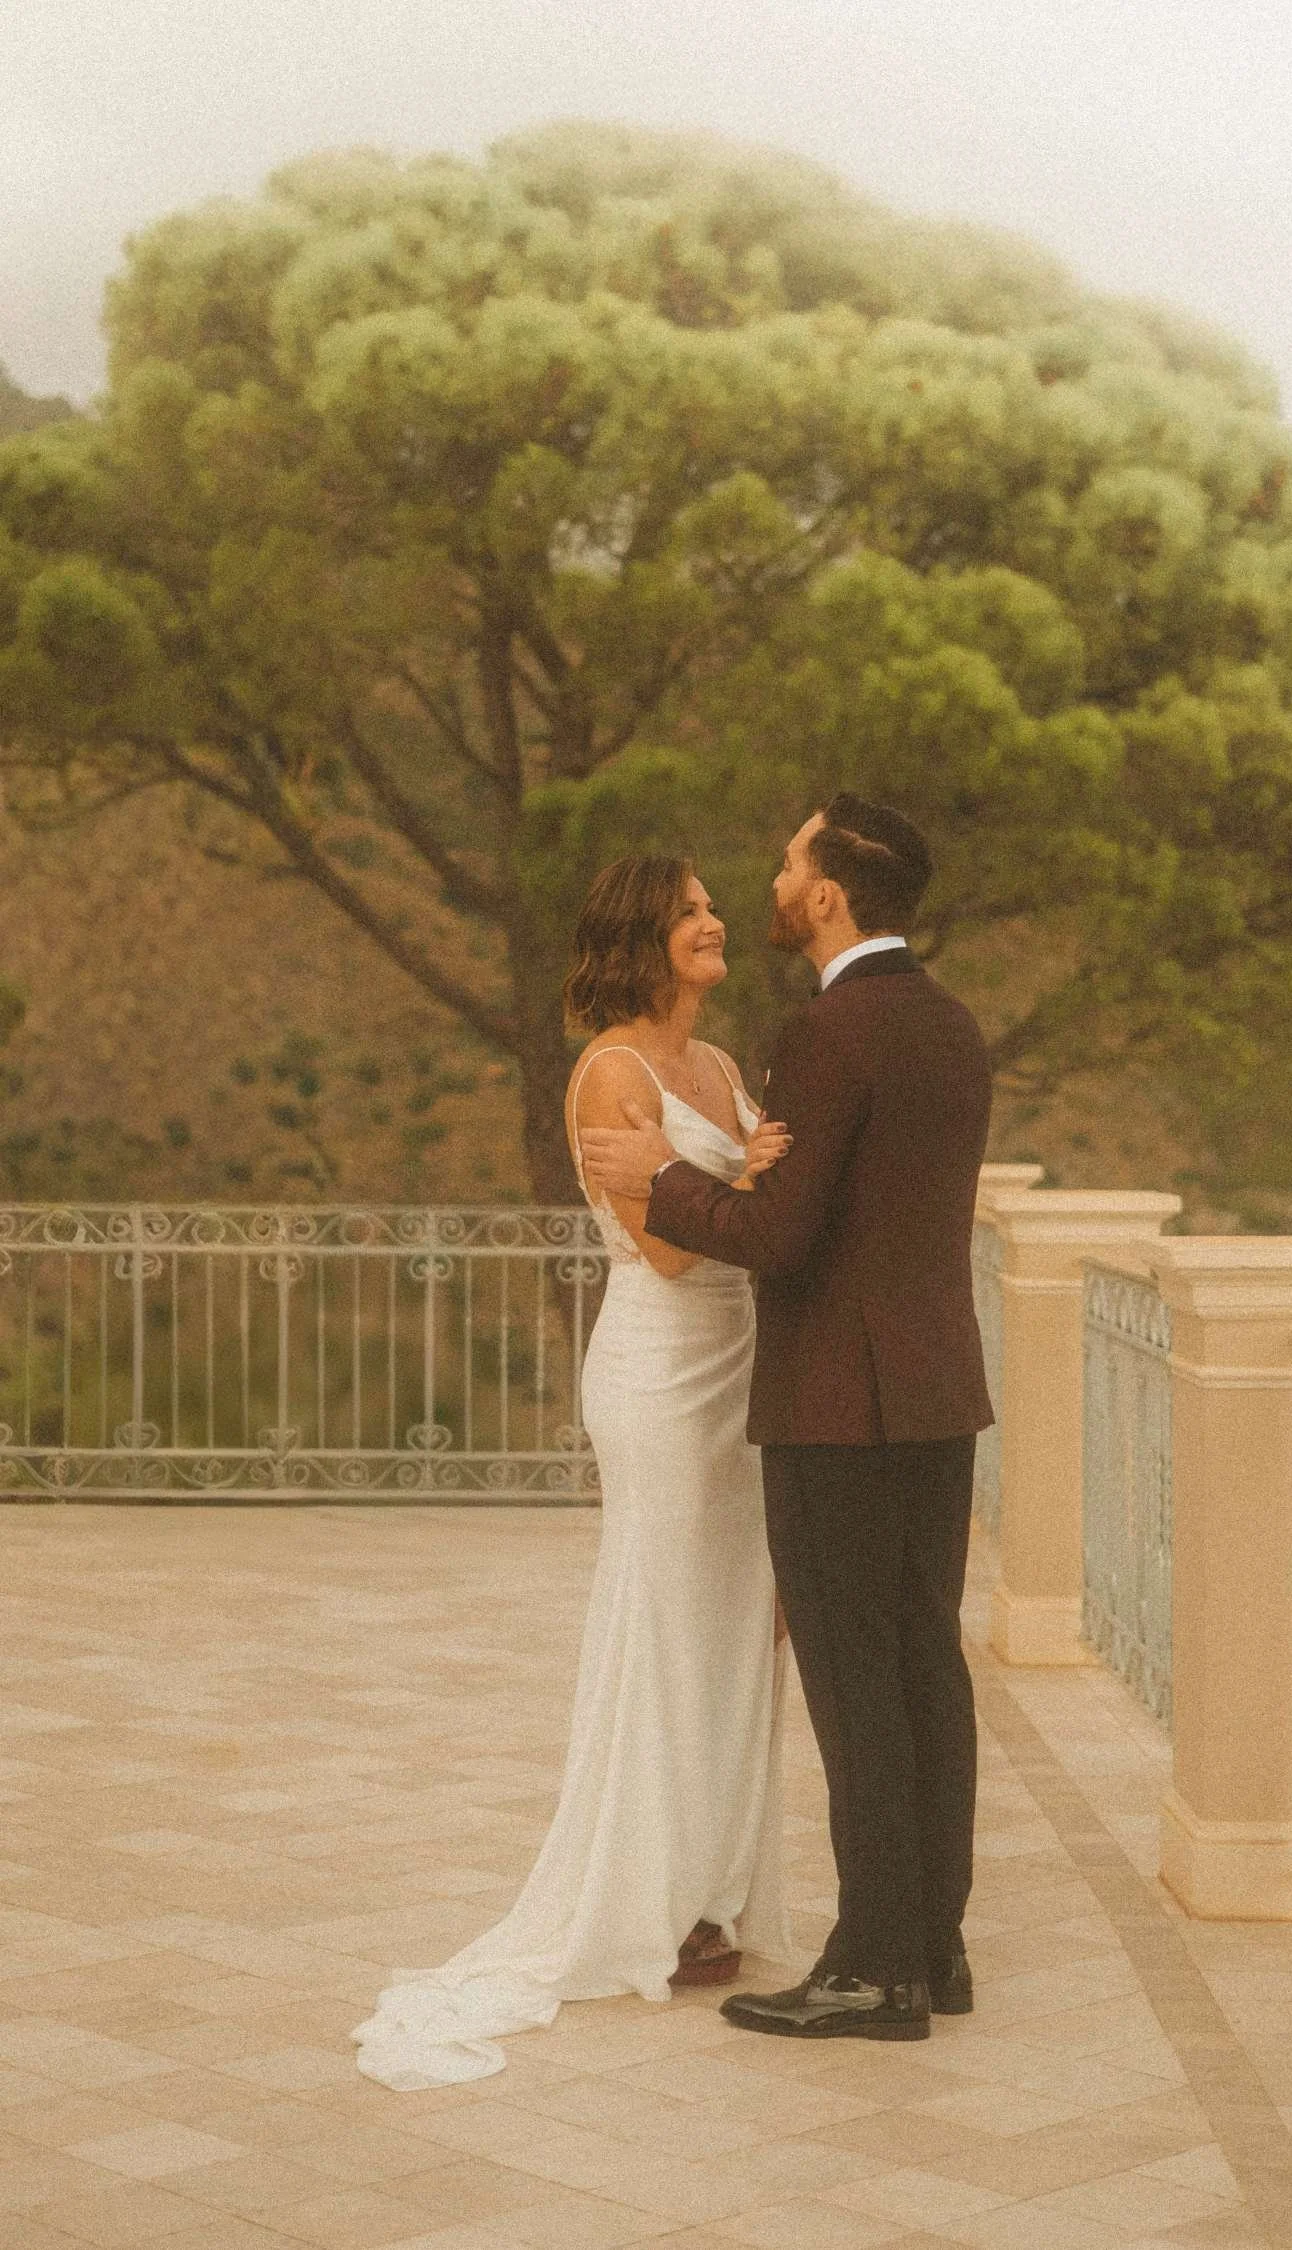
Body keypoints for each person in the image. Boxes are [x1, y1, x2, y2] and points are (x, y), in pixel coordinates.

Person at [352, 855, 794, 2091]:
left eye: (713, 909)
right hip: (661, 1377)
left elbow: (740, 1202)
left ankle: (709, 1896)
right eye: (694, 911)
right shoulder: (612, 1066)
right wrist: (753, 1174)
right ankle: (638, 1897)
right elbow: (661, 1249)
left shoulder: (714, 1066)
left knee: (735, 1627)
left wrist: (744, 1174)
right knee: (665, 1615)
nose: (715, 924)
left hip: (740, 1364)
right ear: (644, 937)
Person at [580, 794, 993, 2042]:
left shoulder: (830, 1032)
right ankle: (933, 1951)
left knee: (856, 1682)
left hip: (834, 1408)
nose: (769, 880)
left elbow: (778, 1235)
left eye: (787, 863)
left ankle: (872, 1969)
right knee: (927, 1665)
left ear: (827, 894)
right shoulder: (952, 1028)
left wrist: (658, 1183)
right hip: (937, 1397)